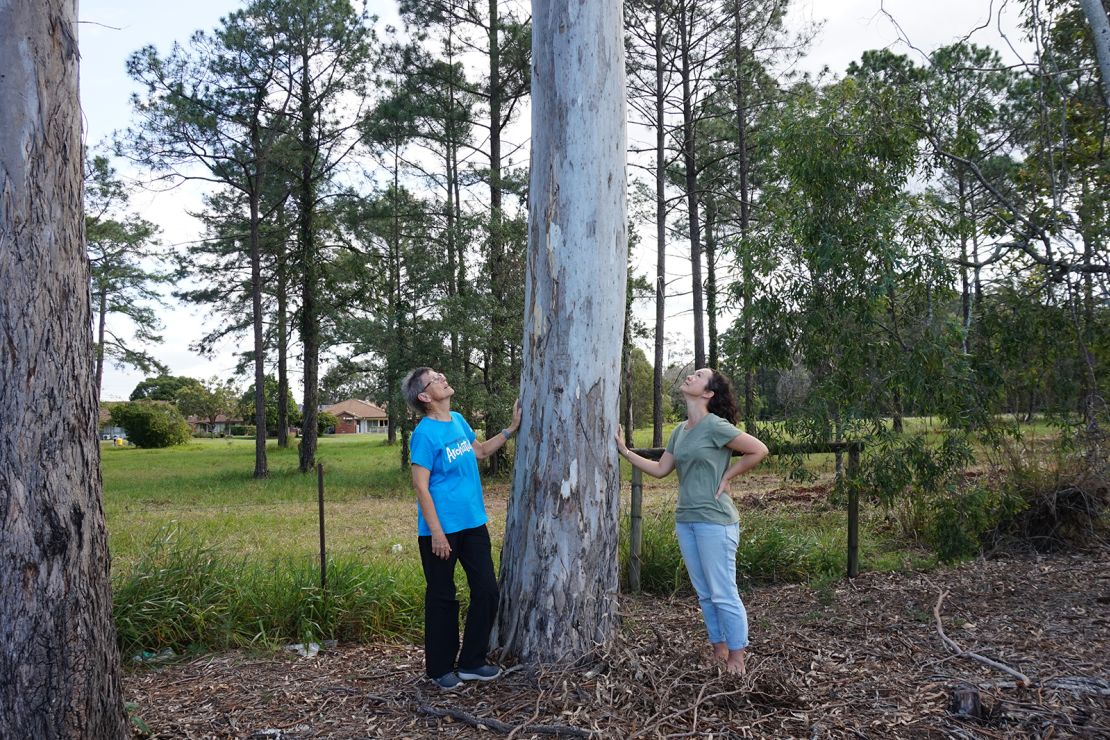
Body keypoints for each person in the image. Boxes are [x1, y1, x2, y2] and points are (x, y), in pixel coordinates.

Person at [615, 368, 768, 675]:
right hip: (686, 519)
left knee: (723, 590)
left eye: (698, 375)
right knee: (705, 592)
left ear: (708, 393)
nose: (690, 376)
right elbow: (661, 469)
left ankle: (737, 658)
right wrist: (625, 452)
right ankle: (719, 651)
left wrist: (728, 475)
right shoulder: (680, 431)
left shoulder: (715, 426)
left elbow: (758, 450)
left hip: (716, 520)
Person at [402, 366, 521, 690]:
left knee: (487, 591)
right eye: (434, 378)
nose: (442, 377)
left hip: (473, 522)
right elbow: (421, 487)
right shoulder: (424, 434)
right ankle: (440, 669)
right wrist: (437, 533)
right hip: (441, 530)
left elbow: (479, 451)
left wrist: (510, 429)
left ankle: (471, 662)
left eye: (442, 373)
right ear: (425, 396)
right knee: (443, 598)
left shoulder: (458, 421)